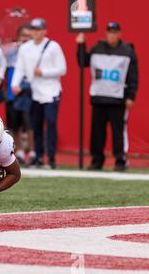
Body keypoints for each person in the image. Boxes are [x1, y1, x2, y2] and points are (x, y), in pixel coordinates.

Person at [77, 22, 139, 172]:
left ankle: (120, 160)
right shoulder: (97, 48)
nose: (112, 35)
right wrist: (81, 45)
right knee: (97, 132)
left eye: (115, 32)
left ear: (120, 33)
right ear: (106, 33)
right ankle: (97, 160)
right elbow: (83, 62)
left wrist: (131, 95)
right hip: (99, 97)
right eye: (110, 32)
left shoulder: (127, 50)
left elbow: (133, 75)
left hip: (118, 98)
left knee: (118, 132)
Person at [11, 18, 67, 169]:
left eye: (38, 29)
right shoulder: (25, 48)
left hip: (51, 92)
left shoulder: (53, 46)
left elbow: (62, 69)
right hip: (34, 92)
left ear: (44, 31)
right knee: (35, 126)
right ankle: (38, 156)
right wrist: (14, 84)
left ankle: (52, 157)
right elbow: (20, 68)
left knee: (51, 124)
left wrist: (44, 72)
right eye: (33, 29)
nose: (35, 32)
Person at [3, 25, 35, 166]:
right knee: (14, 125)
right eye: (23, 35)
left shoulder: (34, 52)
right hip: (12, 93)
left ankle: (33, 152)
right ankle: (20, 152)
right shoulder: (11, 51)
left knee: (29, 124)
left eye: (28, 35)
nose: (25, 38)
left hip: (29, 92)